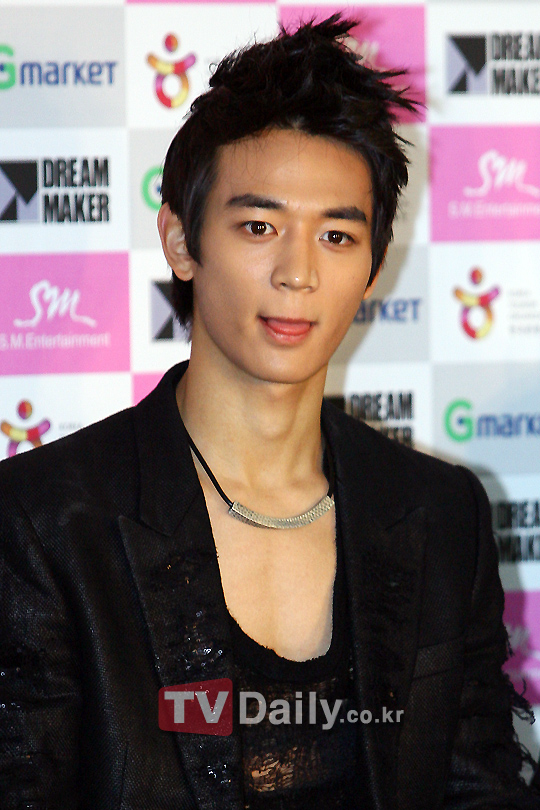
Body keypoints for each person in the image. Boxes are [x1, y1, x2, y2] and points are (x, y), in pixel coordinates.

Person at [0, 15, 538, 810]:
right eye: (259, 226)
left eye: (337, 236)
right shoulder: (42, 522)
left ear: (373, 267)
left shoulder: (440, 512)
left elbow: (480, 790)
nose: (297, 273)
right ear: (181, 241)